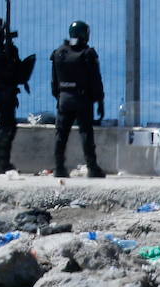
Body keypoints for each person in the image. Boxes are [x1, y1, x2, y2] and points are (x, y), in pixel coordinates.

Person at [50, 20, 105, 179]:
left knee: (61, 135)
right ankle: (92, 167)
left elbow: (54, 82)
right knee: (86, 134)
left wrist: (59, 97)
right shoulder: (88, 54)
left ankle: (59, 167)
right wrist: (99, 100)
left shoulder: (59, 53)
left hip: (64, 99)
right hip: (82, 100)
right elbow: (96, 80)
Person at [0, 16, 32, 174]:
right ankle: (1, 163)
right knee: (5, 128)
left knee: (8, 127)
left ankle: (3, 162)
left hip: (2, 93)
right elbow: (8, 71)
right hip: (3, 93)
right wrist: (11, 54)